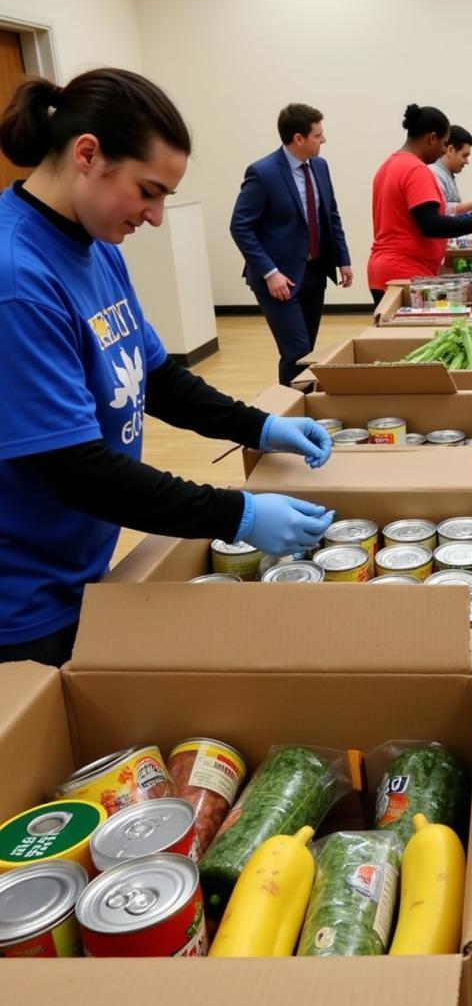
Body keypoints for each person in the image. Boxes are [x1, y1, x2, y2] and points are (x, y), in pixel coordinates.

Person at [0, 69, 337, 668]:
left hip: (83, 559)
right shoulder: (18, 281)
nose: (156, 216)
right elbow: (78, 470)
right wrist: (240, 513)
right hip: (24, 597)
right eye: (148, 190)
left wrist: (259, 427)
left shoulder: (97, 245)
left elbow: (157, 377)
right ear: (87, 155)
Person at [230, 103, 352, 386]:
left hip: (314, 272)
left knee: (306, 352)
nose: (324, 140)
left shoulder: (320, 166)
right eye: (318, 135)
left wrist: (343, 260)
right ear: (298, 138)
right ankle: (290, 413)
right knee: (295, 351)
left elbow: (330, 215)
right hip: (279, 281)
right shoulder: (263, 173)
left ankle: (304, 405)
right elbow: (240, 226)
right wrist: (269, 272)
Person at [367, 104, 472, 305]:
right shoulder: (417, 170)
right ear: (432, 138)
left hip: (383, 271)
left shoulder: (388, 165)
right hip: (404, 271)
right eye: (443, 144)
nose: (443, 150)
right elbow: (431, 224)